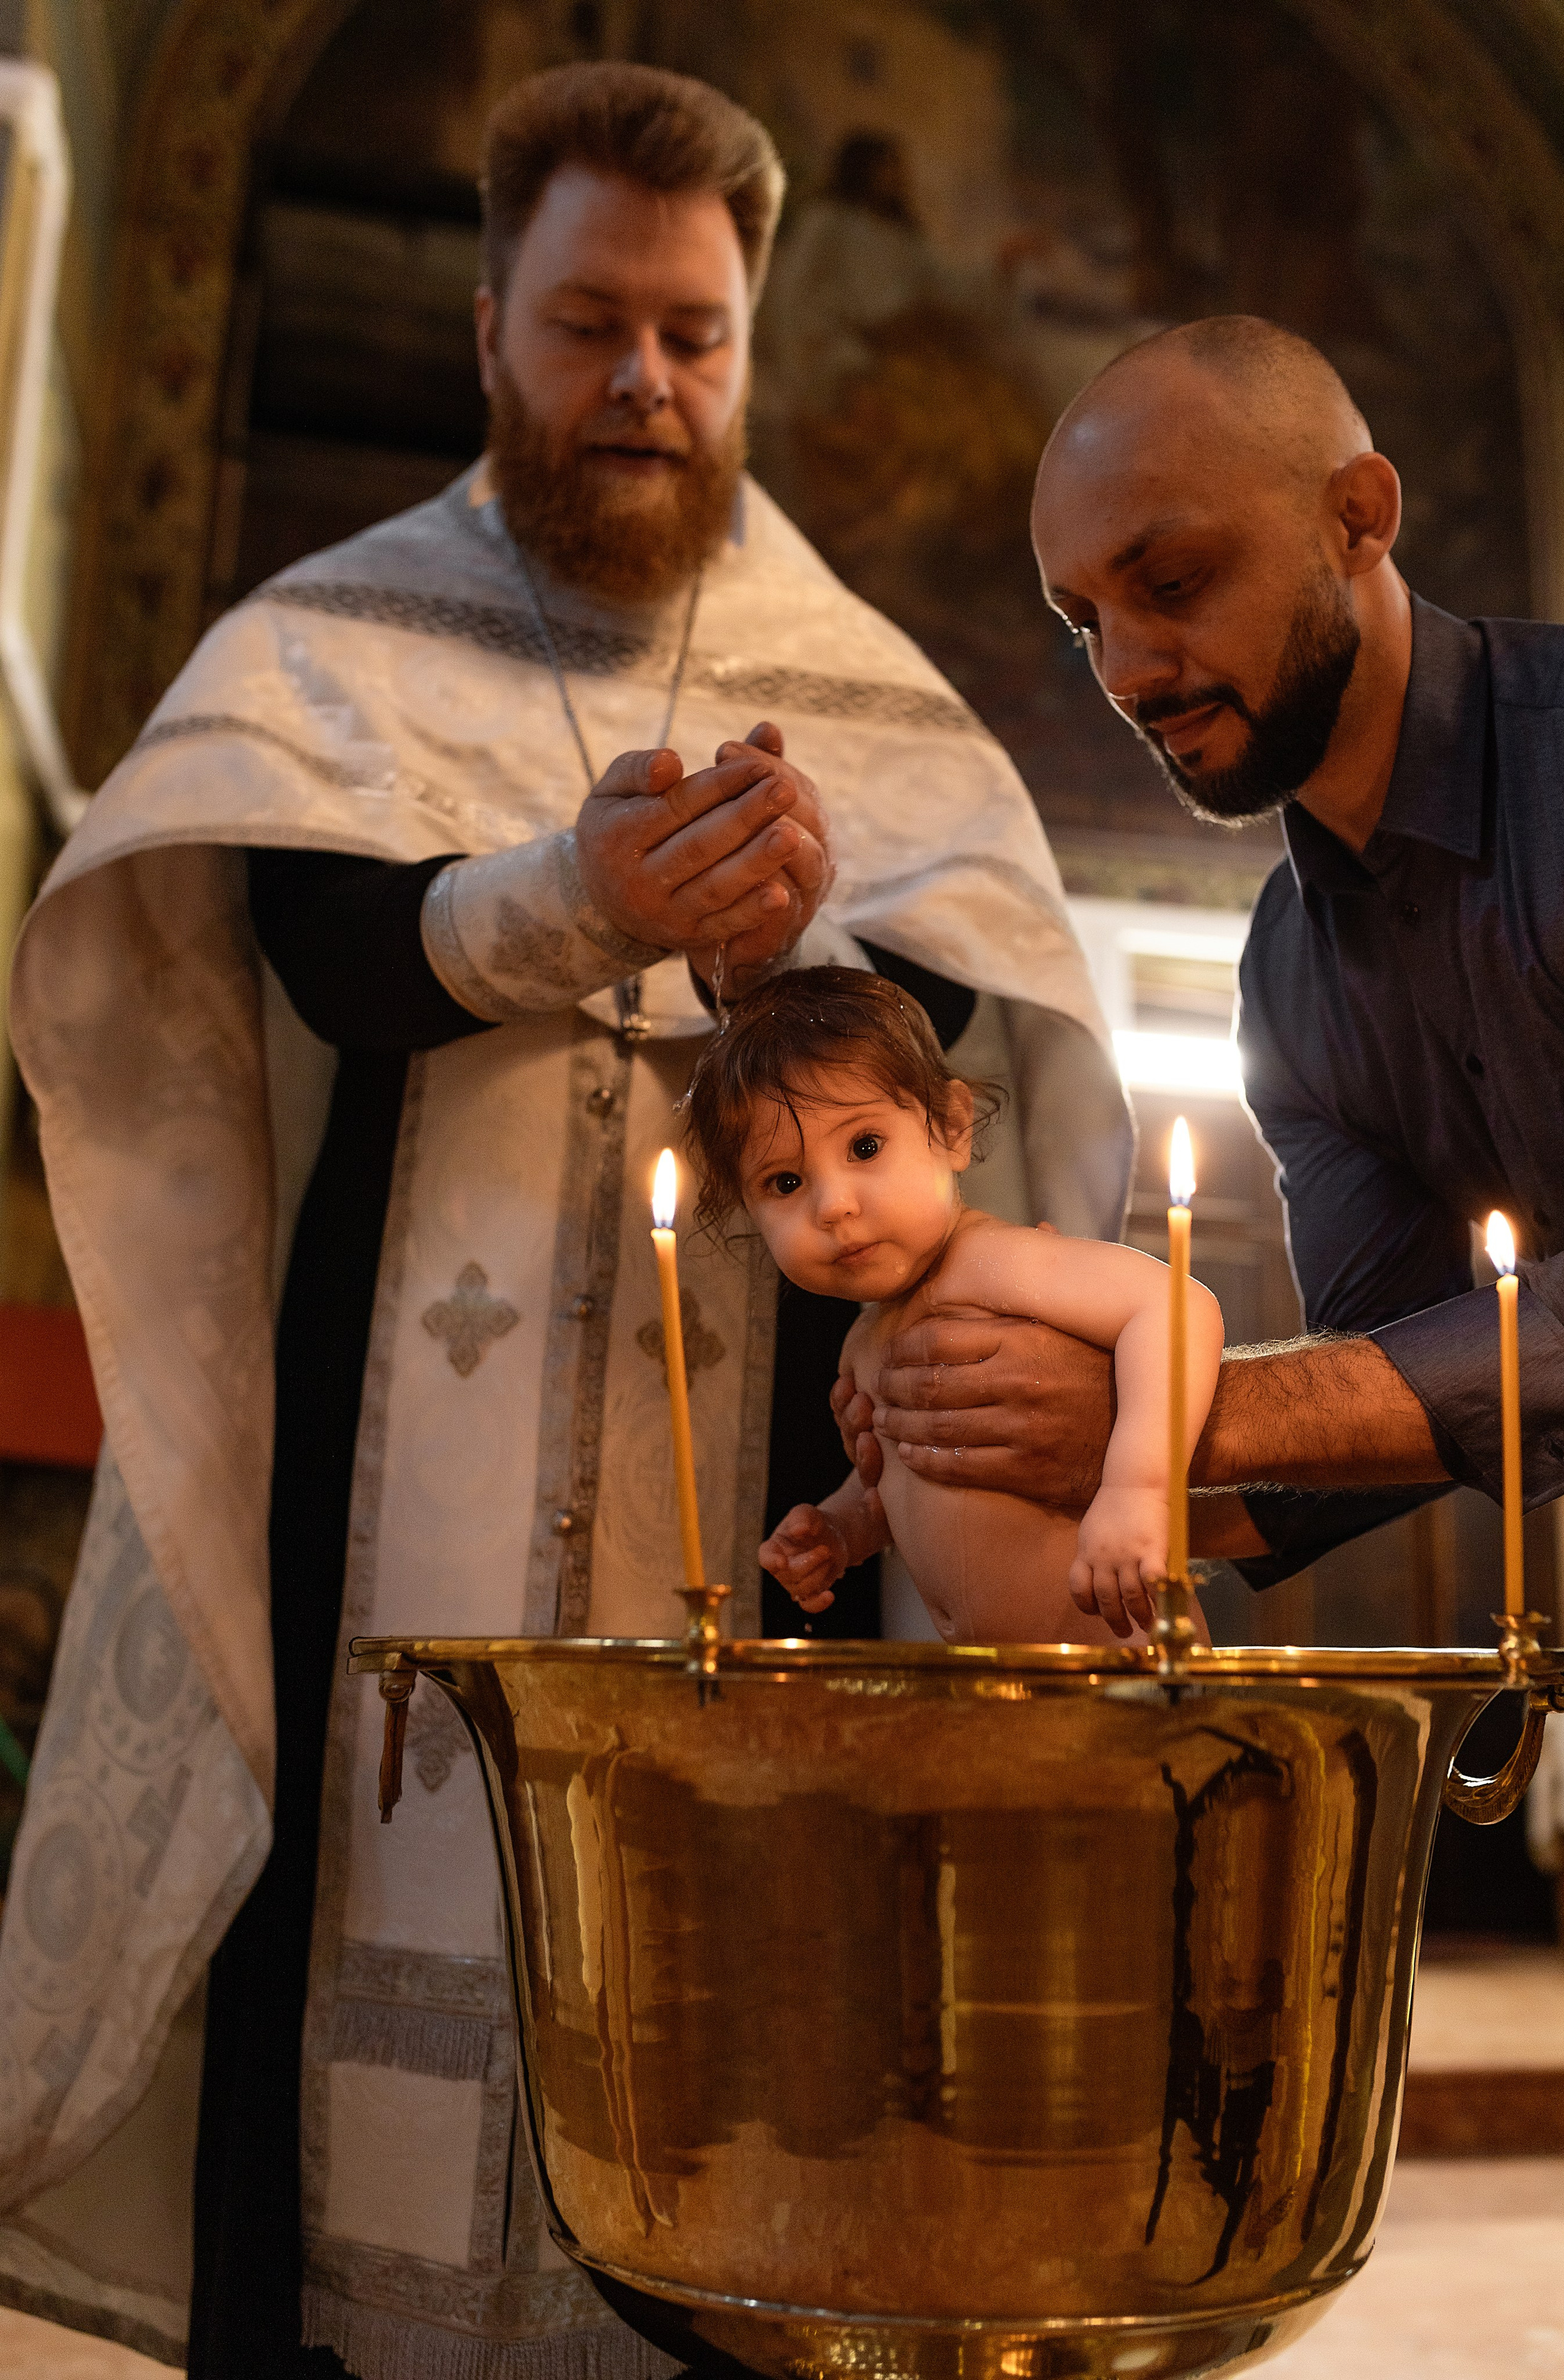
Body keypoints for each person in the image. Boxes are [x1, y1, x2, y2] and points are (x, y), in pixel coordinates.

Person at [0, 61, 1131, 2380]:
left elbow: (955, 1046)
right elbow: (299, 955)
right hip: (376, 1552)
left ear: (748, 345)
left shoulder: (858, 692)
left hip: (753, 1572)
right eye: (588, 321)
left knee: (741, 2154)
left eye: (693, 334)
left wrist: (786, 972)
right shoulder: (347, 641)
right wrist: (563, 895)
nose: (643, 380)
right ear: (491, 330)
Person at [836, 311, 1564, 1616]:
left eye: (1170, 584)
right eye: (1083, 624)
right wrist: (1000, 1465)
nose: (1123, 673)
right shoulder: (1287, 973)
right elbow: (1380, 1393)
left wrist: (1154, 1405)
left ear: (1355, 518)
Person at [687, 969, 1220, 1642]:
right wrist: (843, 1527)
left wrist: (1139, 1492)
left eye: (864, 1147)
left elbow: (1175, 1309)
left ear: (950, 1127)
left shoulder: (994, 1264)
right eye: (785, 1181)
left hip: (1124, 1664)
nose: (834, 1205)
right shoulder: (865, 1340)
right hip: (995, 1692)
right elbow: (918, 1475)